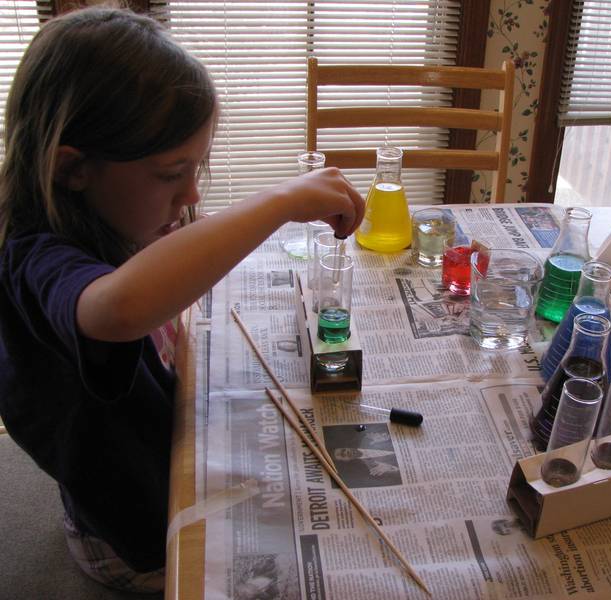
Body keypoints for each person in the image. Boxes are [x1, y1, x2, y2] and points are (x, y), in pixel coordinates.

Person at [0, 6, 363, 594]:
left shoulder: (106, 215)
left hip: (151, 441)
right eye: (172, 174)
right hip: (133, 533)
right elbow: (118, 311)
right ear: (73, 169)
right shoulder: (33, 256)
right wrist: (278, 200)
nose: (192, 193)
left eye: (196, 168)